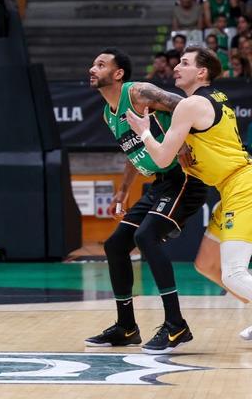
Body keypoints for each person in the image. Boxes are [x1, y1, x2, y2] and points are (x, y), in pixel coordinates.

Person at [129, 46, 252, 351]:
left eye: (185, 63)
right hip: (231, 186)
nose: (177, 67)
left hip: (243, 186)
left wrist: (145, 132)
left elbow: (160, 159)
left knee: (234, 273)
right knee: (206, 264)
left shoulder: (190, 105)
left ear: (202, 72)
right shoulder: (214, 98)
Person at [85, 48, 206, 353]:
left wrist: (180, 140)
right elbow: (134, 152)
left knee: (146, 235)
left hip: (185, 178)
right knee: (115, 245)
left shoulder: (139, 93)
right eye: (93, 64)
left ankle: (176, 325)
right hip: (158, 183)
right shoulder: (106, 113)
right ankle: (126, 327)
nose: (92, 68)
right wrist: (124, 190)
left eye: (100, 65)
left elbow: (186, 105)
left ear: (118, 74)